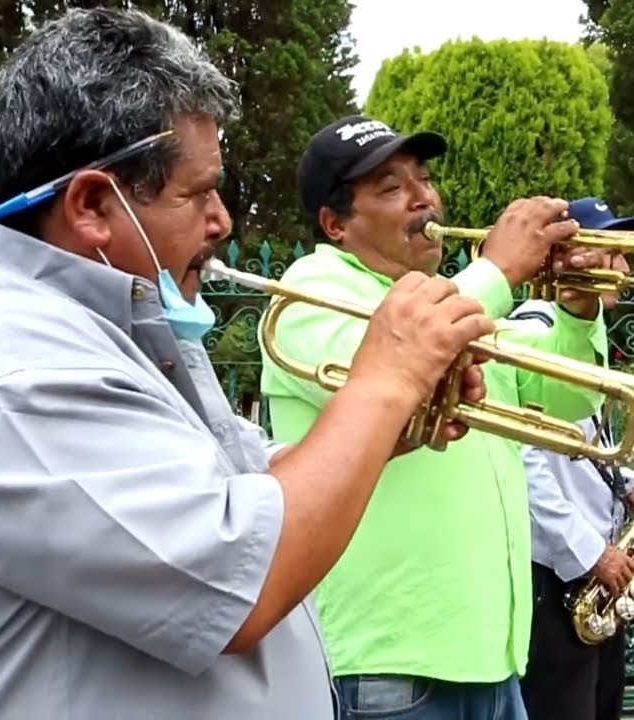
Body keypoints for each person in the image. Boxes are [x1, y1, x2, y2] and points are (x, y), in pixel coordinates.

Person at [0, 10, 493, 719]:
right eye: (198, 192)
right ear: (92, 204)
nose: (222, 222)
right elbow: (244, 576)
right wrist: (386, 382)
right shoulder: (5, 362)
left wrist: (391, 427)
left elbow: (246, 487)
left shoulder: (103, 328)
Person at [260, 114, 613, 719]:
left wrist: (579, 311)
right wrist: (500, 270)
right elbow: (404, 375)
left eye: (423, 178)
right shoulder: (309, 290)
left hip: (492, 656)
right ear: (336, 223)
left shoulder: (453, 302)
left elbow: (565, 398)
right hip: (389, 662)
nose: (424, 197)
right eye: (392, 187)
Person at [508, 197, 634, 720]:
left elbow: (576, 446)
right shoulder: (533, 330)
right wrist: (591, 551)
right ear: (571, 257)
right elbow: (525, 460)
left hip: (591, 571)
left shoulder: (582, 335)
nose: (624, 266)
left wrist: (626, 482)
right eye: (611, 252)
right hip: (557, 572)